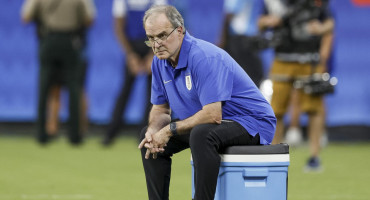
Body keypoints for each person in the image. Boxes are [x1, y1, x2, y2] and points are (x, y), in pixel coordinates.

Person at [138, 5, 276, 200]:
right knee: (147, 137)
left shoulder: (203, 57)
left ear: (180, 31)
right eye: (151, 38)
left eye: (162, 35)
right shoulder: (159, 61)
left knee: (202, 134)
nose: (156, 44)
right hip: (212, 125)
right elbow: (160, 109)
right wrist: (154, 131)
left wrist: (168, 130)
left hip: (252, 122)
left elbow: (212, 114)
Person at [259, 0, 334, 171]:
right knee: (275, 109)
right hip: (282, 59)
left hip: (309, 59)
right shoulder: (274, 1)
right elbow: (261, 22)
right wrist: (270, 21)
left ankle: (315, 157)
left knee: (314, 109)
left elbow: (329, 22)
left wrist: (321, 29)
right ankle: (273, 155)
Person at [21, 0, 96, 145]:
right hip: (71, 41)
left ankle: (41, 134)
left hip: (48, 39)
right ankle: (75, 135)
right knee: (74, 88)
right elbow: (89, 19)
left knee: (44, 88)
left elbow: (26, 17)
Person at [102, 0, 167, 146]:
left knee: (153, 95)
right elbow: (118, 27)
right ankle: (110, 134)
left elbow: (163, 28)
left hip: (152, 46)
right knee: (125, 91)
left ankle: (147, 135)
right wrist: (130, 55)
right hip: (132, 47)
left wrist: (154, 55)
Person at [219, 0, 267, 87]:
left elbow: (228, 14)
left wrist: (222, 40)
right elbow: (228, 14)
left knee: (249, 78)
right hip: (242, 41)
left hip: (246, 42)